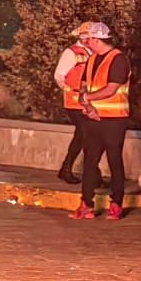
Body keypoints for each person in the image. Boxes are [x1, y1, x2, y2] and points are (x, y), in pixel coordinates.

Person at [68, 22, 131, 221]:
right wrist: (87, 107)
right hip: (93, 118)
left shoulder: (119, 60)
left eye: (89, 39)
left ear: (97, 39)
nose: (86, 42)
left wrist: (88, 100)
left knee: (114, 160)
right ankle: (86, 204)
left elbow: (111, 89)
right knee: (90, 162)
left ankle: (116, 204)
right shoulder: (92, 59)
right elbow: (84, 87)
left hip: (114, 119)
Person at [52, 26, 92, 184]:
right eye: (85, 35)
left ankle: (84, 172)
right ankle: (67, 168)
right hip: (74, 101)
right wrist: (69, 89)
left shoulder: (93, 52)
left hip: (89, 101)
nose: (88, 38)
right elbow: (59, 75)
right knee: (83, 133)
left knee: (86, 135)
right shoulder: (72, 52)